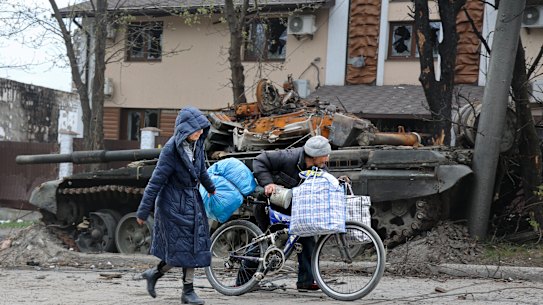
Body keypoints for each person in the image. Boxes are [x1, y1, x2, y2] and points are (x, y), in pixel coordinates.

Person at [136, 107, 216, 305]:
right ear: (185, 129)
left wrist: (211, 188)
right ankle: (187, 291)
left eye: (201, 129)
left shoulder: (197, 145)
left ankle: (156, 274)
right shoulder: (171, 150)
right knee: (184, 248)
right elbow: (155, 182)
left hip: (192, 201)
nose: (199, 132)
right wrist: (143, 211)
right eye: (195, 129)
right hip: (172, 204)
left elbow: (202, 170)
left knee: (190, 247)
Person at [251, 135, 331, 291]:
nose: (327, 159)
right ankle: (243, 280)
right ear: (313, 155)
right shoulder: (289, 157)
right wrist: (268, 183)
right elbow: (260, 160)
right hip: (270, 204)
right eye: (324, 155)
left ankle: (306, 282)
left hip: (294, 207)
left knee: (307, 239)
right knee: (265, 240)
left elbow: (327, 180)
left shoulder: (319, 167)